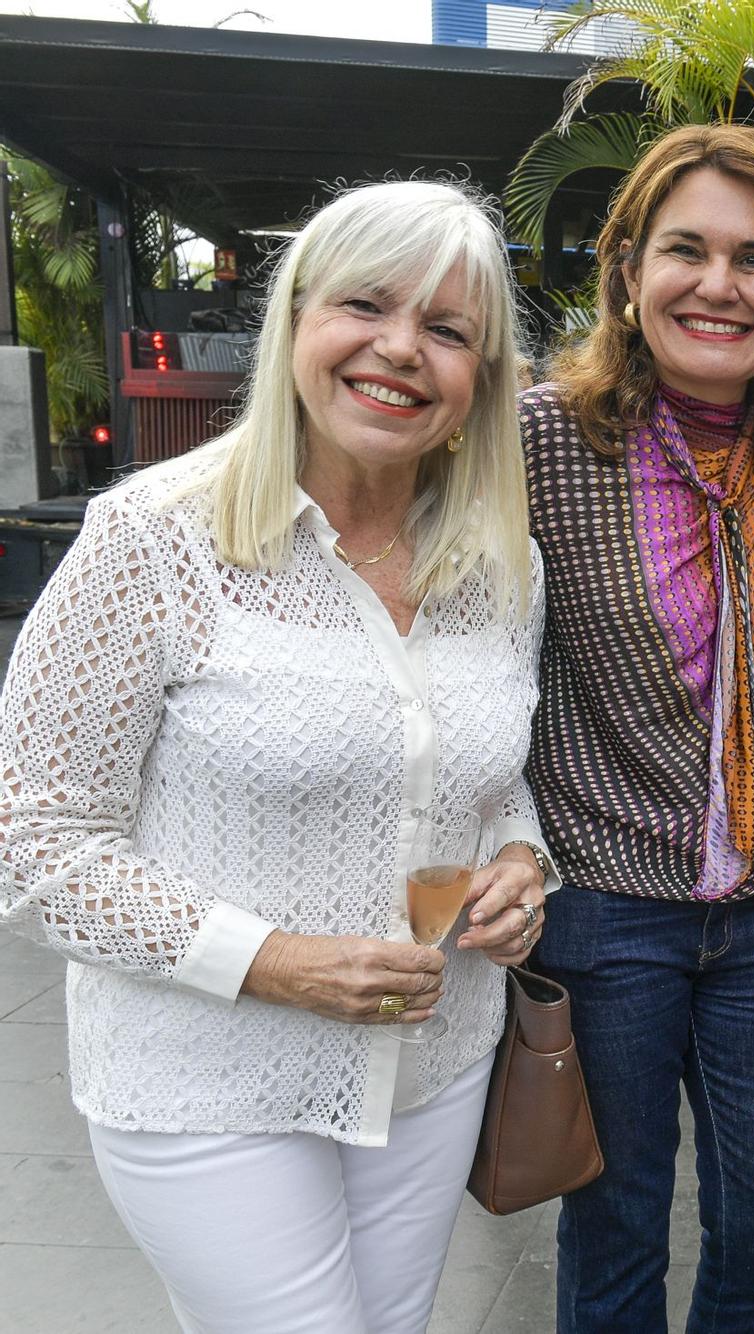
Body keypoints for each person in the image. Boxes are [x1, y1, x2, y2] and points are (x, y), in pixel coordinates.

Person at [0, 180, 552, 1334]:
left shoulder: (500, 562)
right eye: (367, 304)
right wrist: (276, 959)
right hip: (207, 1075)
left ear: (480, 381)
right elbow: (32, 840)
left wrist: (518, 861)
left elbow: (493, 780)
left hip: (434, 1060)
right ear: (297, 320)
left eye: (448, 330)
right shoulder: (153, 539)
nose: (401, 348)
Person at [518, 124, 754, 1333]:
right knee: (612, 1227)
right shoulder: (542, 440)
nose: (720, 285)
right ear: (626, 272)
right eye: (686, 251)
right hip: (605, 904)